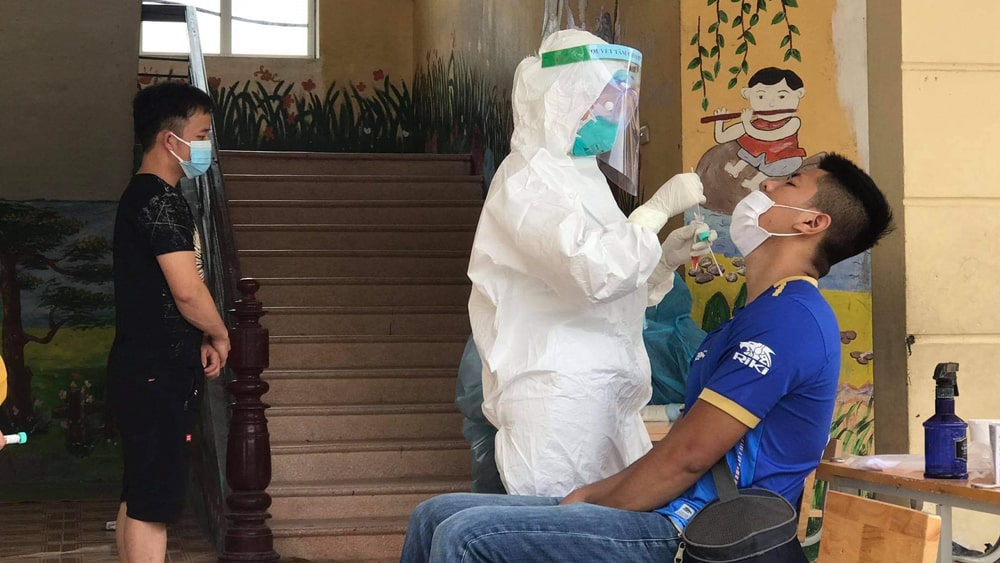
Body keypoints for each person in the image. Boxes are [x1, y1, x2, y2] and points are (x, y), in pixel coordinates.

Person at [401, 152, 894, 562]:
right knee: (434, 514)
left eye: (788, 183)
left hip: (701, 531)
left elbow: (687, 458)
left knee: (468, 536)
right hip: (673, 510)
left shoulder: (790, 320)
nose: (766, 183)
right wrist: (591, 495)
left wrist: (591, 500)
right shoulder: (759, 313)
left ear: (811, 222)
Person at [467, 29, 709, 497]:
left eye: (621, 101)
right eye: (606, 100)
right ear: (564, 98)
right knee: (557, 526)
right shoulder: (527, 181)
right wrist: (654, 212)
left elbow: (611, 295)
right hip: (555, 397)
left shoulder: (582, 177)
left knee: (606, 526)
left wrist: (662, 264)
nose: (616, 115)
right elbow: (591, 272)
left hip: (606, 394)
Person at [108, 81, 230, 563]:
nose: (207, 146)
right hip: (156, 373)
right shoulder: (159, 200)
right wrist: (219, 332)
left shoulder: (142, 196)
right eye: (201, 135)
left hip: (143, 367)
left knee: (139, 492)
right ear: (169, 139)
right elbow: (186, 290)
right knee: (153, 503)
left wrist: (197, 337)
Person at [714, 67, 807, 191]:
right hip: (762, 156)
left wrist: (747, 124)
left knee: (774, 164)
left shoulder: (793, 122)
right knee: (749, 151)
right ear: (748, 94)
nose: (771, 104)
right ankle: (736, 170)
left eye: (781, 97)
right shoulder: (755, 123)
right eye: (761, 97)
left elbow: (768, 136)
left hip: (783, 158)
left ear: (799, 94)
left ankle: (755, 182)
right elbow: (721, 138)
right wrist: (719, 121)